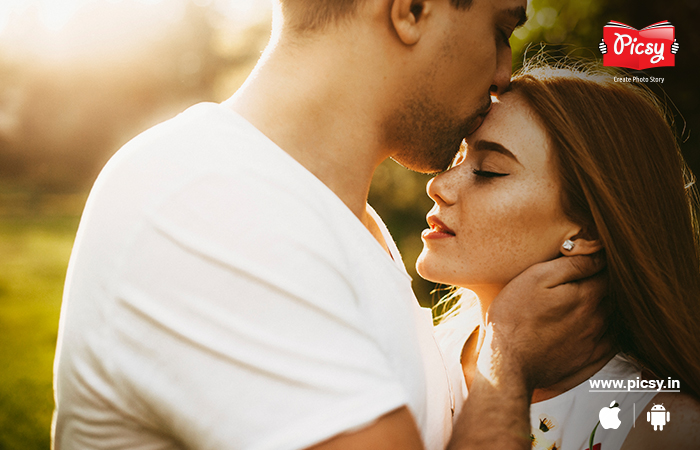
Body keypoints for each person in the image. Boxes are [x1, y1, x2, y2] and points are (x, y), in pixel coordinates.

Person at [52, 1, 607, 449]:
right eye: (500, 28)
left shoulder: (340, 218)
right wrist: (504, 368)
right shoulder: (212, 204)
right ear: (411, 10)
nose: (502, 71)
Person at [418, 62, 700, 450]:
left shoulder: (661, 427)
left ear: (586, 231)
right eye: (458, 159)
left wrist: (507, 358)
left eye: (487, 170)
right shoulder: (410, 356)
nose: (439, 185)